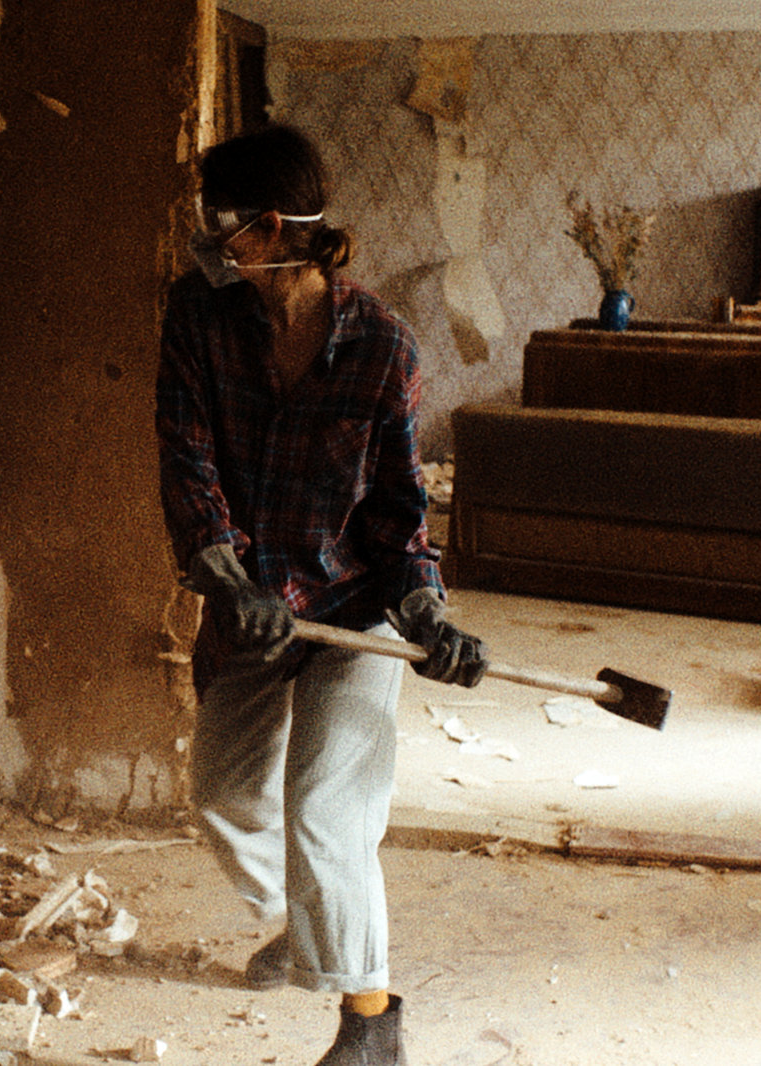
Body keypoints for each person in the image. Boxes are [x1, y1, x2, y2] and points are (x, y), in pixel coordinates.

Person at [154, 123, 489, 1066]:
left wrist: (427, 614)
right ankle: (305, 928)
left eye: (216, 220)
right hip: (254, 612)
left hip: (350, 613)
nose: (203, 236)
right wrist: (227, 577)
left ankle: (371, 1023)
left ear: (266, 229)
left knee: (325, 811)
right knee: (222, 793)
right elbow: (187, 460)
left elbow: (398, 511)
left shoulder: (384, 348)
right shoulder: (200, 316)